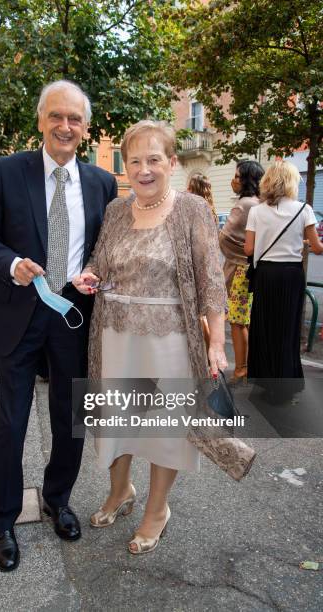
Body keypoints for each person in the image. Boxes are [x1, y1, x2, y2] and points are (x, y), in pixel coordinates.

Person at [0, 80, 117, 571]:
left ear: (85, 126)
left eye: (75, 118)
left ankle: (59, 500)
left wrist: (96, 272)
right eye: (56, 116)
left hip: (72, 317)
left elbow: (105, 251)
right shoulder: (8, 171)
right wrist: (12, 264)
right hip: (18, 314)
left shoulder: (102, 183)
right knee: (10, 422)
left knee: (69, 420)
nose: (65, 126)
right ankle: (4, 520)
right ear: (40, 121)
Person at [73, 120, 227, 555]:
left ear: (172, 162)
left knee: (164, 430)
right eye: (134, 160)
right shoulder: (116, 211)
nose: (143, 169)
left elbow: (212, 281)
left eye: (153, 159)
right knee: (117, 422)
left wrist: (216, 343)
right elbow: (100, 263)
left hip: (171, 343)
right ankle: (121, 491)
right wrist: (89, 275)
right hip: (116, 338)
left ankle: (157, 509)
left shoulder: (193, 209)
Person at [244, 160, 323, 397]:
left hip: (266, 274)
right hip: (291, 274)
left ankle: (265, 379)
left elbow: (249, 249)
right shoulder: (304, 209)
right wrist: (304, 243)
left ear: (268, 181)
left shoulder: (256, 211)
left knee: (265, 325)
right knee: (287, 328)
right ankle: (287, 381)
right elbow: (318, 248)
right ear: (291, 183)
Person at [219, 160, 264, 384]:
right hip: (253, 269)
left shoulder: (244, 205)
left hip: (239, 271)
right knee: (244, 321)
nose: (234, 181)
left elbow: (225, 237)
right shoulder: (260, 202)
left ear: (246, 180)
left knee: (237, 322)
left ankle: (241, 369)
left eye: (237, 177)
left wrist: (235, 254)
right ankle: (245, 366)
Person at [187, 172, 218, 348]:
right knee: (202, 313)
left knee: (198, 315)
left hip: (194, 266)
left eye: (188, 187)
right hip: (207, 266)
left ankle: (205, 353)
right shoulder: (210, 209)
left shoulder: (193, 209)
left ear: (192, 189)